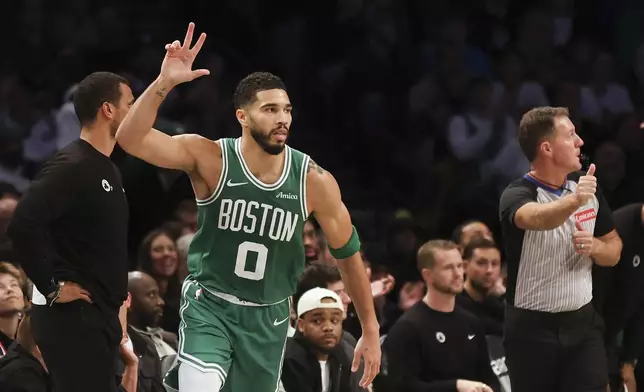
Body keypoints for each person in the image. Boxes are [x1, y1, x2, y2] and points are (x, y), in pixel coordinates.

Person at [115, 22, 380, 392]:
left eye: (286, 109)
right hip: (211, 307)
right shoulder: (210, 158)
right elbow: (129, 139)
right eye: (270, 109)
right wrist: (164, 84)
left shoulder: (313, 180)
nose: (283, 118)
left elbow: (348, 252)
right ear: (243, 116)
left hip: (269, 319)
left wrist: (369, 326)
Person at [6, 71, 134, 392]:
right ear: (108, 109)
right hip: (74, 316)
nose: (136, 112)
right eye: (130, 104)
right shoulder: (72, 164)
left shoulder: (109, 168)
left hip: (98, 318)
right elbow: (23, 222)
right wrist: (50, 287)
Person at [499, 106, 622, 392]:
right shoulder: (516, 194)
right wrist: (575, 201)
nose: (580, 141)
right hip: (532, 331)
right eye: (570, 135)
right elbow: (537, 218)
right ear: (547, 148)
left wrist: (596, 247)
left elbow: (614, 249)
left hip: (583, 322)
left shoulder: (586, 187)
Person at [382, 239, 499, 392]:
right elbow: (403, 387)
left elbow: (488, 376)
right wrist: (455, 386)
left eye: (459, 266)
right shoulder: (408, 328)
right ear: (428, 275)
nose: (458, 274)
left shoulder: (471, 322)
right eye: (448, 268)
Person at [593, 203, 644, 392]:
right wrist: (599, 369)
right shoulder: (617, 229)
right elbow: (594, 300)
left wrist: (629, 360)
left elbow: (641, 303)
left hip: (620, 331)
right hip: (590, 330)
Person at [281, 287, 355, 392]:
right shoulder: (287, 359)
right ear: (301, 325)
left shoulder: (343, 357)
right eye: (317, 321)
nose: (328, 327)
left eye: (334, 320)